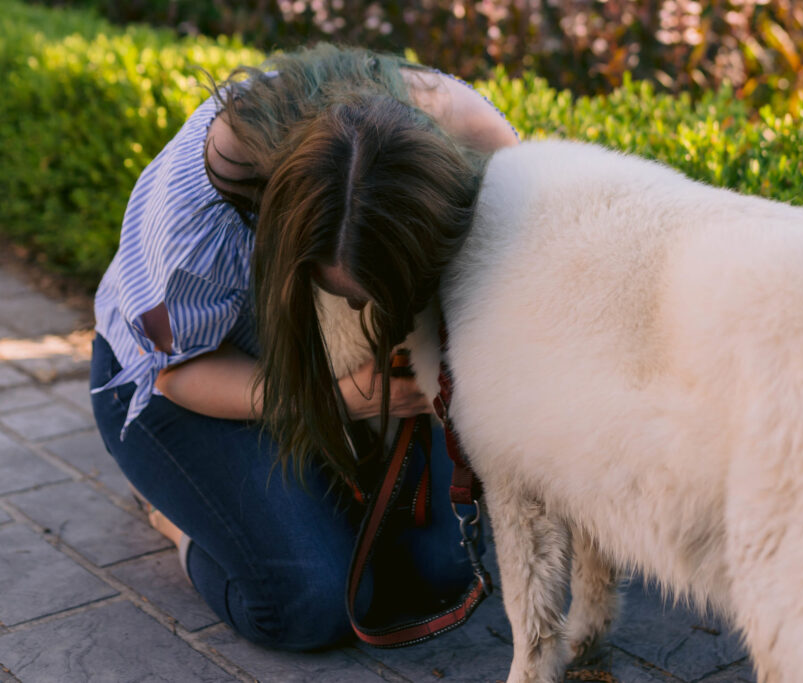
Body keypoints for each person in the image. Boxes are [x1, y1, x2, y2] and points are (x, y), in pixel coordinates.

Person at [89, 43, 518, 650]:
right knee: (313, 605)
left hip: (342, 373)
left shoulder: (462, 123)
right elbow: (177, 373)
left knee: (439, 576)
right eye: (343, 290)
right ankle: (175, 518)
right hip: (188, 383)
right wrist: (344, 397)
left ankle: (305, 502)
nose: (365, 308)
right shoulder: (196, 220)